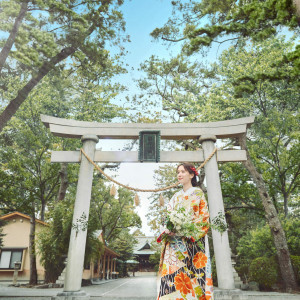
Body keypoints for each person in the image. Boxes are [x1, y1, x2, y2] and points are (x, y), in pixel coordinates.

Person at [156, 163, 214, 300]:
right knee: (173, 278)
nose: (179, 174)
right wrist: (168, 228)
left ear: (192, 174)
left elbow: (204, 218)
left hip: (191, 243)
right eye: (178, 172)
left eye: (183, 171)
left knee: (194, 278)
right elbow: (167, 217)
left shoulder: (198, 193)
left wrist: (189, 231)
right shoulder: (175, 196)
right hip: (174, 243)